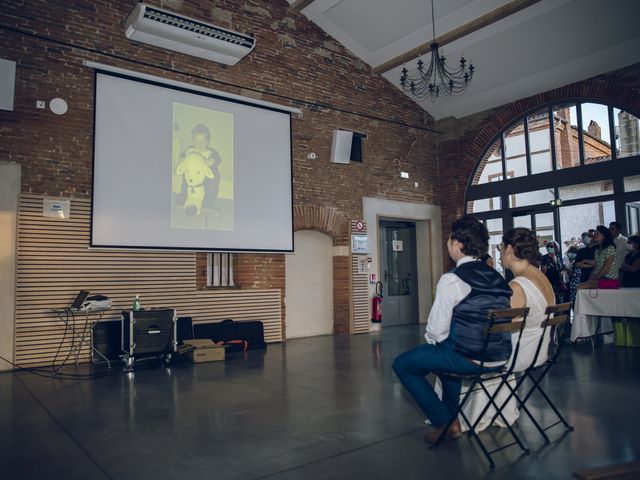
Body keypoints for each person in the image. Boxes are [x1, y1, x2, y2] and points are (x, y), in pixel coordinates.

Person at [392, 216, 512, 444]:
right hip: (501, 356)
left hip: (471, 358)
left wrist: (435, 345)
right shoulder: (496, 276)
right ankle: (451, 421)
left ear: (457, 244)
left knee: (403, 364)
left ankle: (443, 421)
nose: (447, 243)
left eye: (448, 239)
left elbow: (436, 331)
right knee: (446, 357)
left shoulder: (452, 279)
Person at [451, 228, 556, 432]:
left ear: (509, 249)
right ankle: (499, 411)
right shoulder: (540, 277)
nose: (498, 253)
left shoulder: (518, 285)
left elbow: (500, 328)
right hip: (537, 351)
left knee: (458, 351)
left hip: (518, 354)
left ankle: (462, 417)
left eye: (500, 247)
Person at [179, 123, 222, 211]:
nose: (200, 144)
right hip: (191, 175)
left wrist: (211, 161)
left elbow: (218, 159)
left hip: (207, 176)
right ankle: (183, 197)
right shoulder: (190, 150)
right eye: (197, 141)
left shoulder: (210, 152)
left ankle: (208, 202)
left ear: (208, 141)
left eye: (203, 141)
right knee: (185, 183)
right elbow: (182, 156)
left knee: (211, 187)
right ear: (192, 140)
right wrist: (182, 159)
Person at [578, 225, 618, 289]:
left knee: (582, 287)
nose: (594, 235)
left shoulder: (610, 248)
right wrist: (589, 280)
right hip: (600, 279)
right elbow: (596, 267)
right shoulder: (597, 250)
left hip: (610, 280)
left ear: (603, 236)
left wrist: (593, 279)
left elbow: (605, 270)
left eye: (597, 233)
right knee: (579, 286)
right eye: (595, 233)